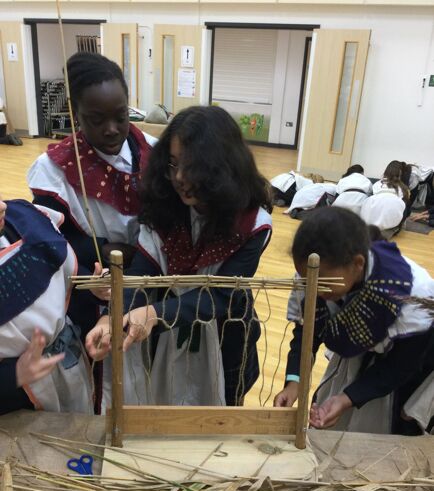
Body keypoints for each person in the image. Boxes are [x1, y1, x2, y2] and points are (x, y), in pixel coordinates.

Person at [86, 105, 273, 409]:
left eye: (192, 167)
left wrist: (153, 314)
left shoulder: (252, 223)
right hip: (165, 338)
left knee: (223, 414)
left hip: (226, 336)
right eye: (173, 164)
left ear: (222, 167)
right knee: (166, 404)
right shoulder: (165, 206)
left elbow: (220, 296)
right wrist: (114, 313)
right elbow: (143, 273)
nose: (180, 177)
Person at [27, 52, 156, 343]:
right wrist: (102, 250)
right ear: (76, 114)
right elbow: (48, 243)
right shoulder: (54, 169)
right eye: (96, 119)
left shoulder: (154, 151)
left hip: (151, 290)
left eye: (121, 116)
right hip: (93, 291)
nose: (111, 129)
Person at [274, 207, 434, 435]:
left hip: (403, 370)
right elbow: (307, 332)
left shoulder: (413, 299)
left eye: (323, 284)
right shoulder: (315, 275)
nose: (315, 290)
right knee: (333, 424)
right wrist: (294, 382)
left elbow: (400, 366)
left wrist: (348, 398)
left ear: (358, 264)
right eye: (308, 281)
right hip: (356, 353)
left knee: (382, 436)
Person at [0, 195, 96, 414]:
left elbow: (53, 267)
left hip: (69, 367)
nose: (2, 205)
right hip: (14, 403)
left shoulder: (22, 220)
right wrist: (12, 376)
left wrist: (92, 287)